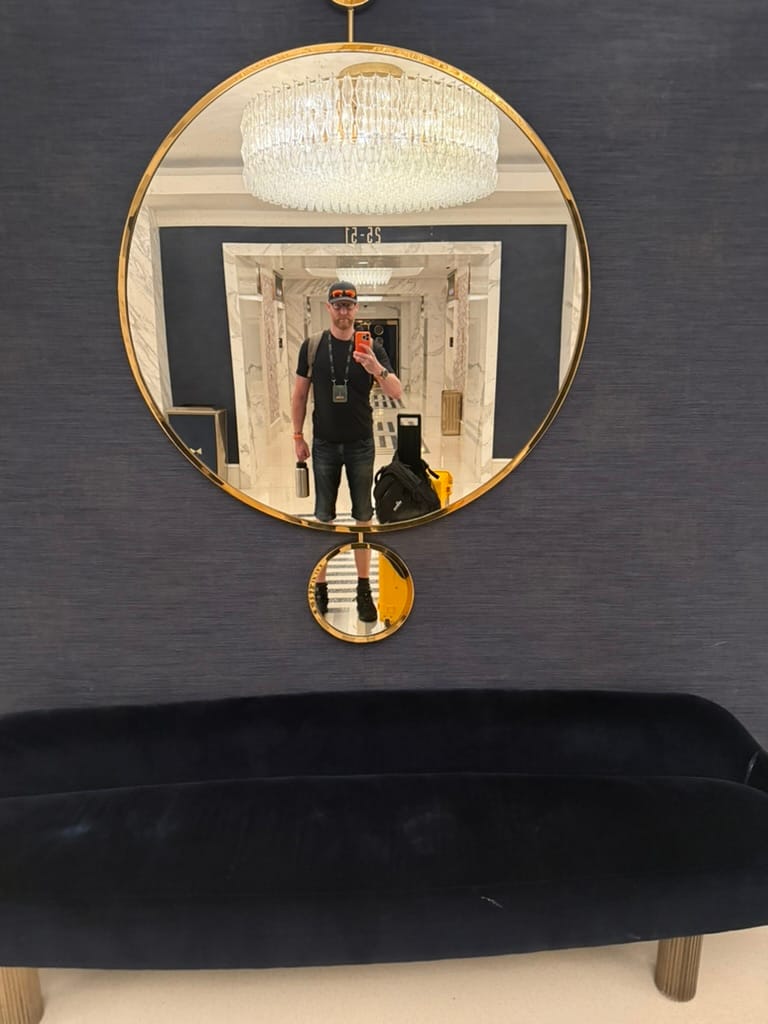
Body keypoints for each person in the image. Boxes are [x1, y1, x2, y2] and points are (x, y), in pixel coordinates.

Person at [292, 281, 403, 622]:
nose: (343, 311)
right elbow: (300, 395)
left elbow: (396, 392)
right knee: (323, 518)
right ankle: (321, 584)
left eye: (349, 305)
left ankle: (363, 588)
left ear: (357, 308)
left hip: (361, 444)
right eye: (337, 305)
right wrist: (297, 436)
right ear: (328, 308)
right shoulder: (312, 346)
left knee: (363, 517)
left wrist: (375, 368)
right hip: (324, 444)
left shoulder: (372, 348)